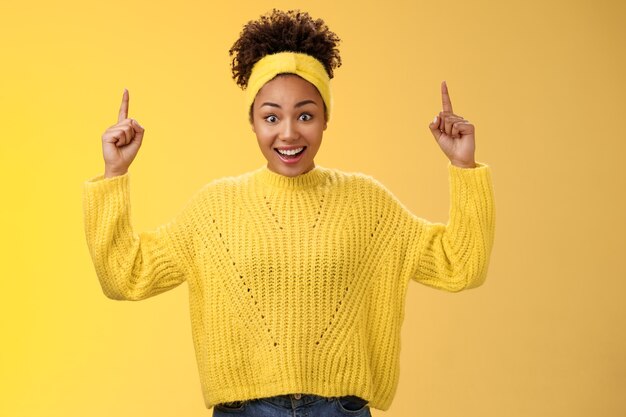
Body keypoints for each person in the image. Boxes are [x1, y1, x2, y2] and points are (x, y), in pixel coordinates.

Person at [82, 9, 495, 417]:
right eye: (271, 117)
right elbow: (127, 276)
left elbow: (460, 265)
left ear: (325, 119)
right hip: (242, 411)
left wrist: (463, 166)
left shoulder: (368, 204)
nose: (289, 132)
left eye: (305, 115)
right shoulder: (213, 209)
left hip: (340, 410)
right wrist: (115, 172)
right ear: (253, 122)